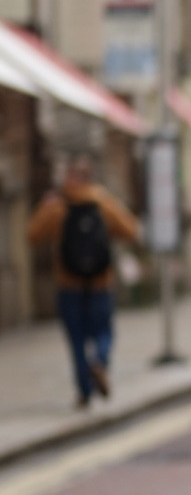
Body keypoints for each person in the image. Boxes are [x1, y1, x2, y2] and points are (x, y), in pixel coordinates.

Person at [27, 154, 141, 408]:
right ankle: (99, 362)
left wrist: (46, 206)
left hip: (69, 285)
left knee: (76, 340)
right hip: (101, 284)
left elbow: (32, 235)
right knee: (104, 332)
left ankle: (84, 392)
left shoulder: (58, 207)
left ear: (69, 178)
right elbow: (133, 230)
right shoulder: (104, 204)